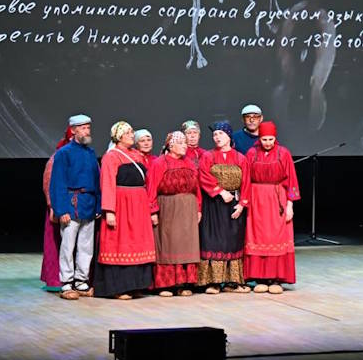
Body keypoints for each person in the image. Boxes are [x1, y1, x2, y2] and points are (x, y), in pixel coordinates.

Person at [94, 121, 156, 299]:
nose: (132, 135)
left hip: (139, 205)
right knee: (121, 243)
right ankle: (118, 288)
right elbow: (107, 183)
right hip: (121, 204)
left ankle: (136, 285)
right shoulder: (112, 156)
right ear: (119, 137)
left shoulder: (136, 155)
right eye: (128, 133)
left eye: (132, 132)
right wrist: (109, 210)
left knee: (137, 243)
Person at [236, 121, 300, 293]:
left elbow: (291, 180)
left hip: (276, 199)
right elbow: (246, 179)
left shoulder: (283, 153)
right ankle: (260, 278)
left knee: (276, 237)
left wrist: (290, 205)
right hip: (257, 200)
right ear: (260, 138)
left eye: (271, 139)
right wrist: (244, 202)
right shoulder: (251, 153)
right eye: (264, 139)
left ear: (275, 138)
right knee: (257, 236)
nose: (268, 143)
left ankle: (276, 279)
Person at [49, 114, 100, 300]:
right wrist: (61, 210)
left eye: (88, 127)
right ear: (74, 130)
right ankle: (67, 282)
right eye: (84, 128)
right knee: (68, 245)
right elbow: (57, 183)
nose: (87, 131)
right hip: (71, 204)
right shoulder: (64, 153)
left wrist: (98, 205)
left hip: (88, 204)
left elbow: (96, 180)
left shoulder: (90, 153)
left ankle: (81, 280)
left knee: (86, 246)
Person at [197, 121, 251, 294]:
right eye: (214, 135)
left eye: (220, 134)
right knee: (213, 240)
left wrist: (242, 205)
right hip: (214, 205)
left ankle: (231, 282)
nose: (217, 137)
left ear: (229, 136)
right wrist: (220, 191)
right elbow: (203, 176)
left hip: (234, 205)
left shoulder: (241, 158)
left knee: (232, 241)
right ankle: (212, 282)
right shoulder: (208, 156)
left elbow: (247, 182)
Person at [147, 131, 202, 296]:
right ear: (171, 145)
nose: (185, 146)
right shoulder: (159, 163)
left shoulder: (189, 163)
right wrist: (153, 210)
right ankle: (166, 284)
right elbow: (151, 189)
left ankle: (184, 283)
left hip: (188, 210)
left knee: (187, 244)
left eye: (186, 143)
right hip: (169, 209)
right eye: (181, 143)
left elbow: (196, 188)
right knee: (169, 244)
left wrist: (199, 208)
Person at [41, 125, 74, 291]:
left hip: (77, 206)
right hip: (59, 206)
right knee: (58, 244)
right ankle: (57, 279)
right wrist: (53, 206)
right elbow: (48, 184)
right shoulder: (57, 157)